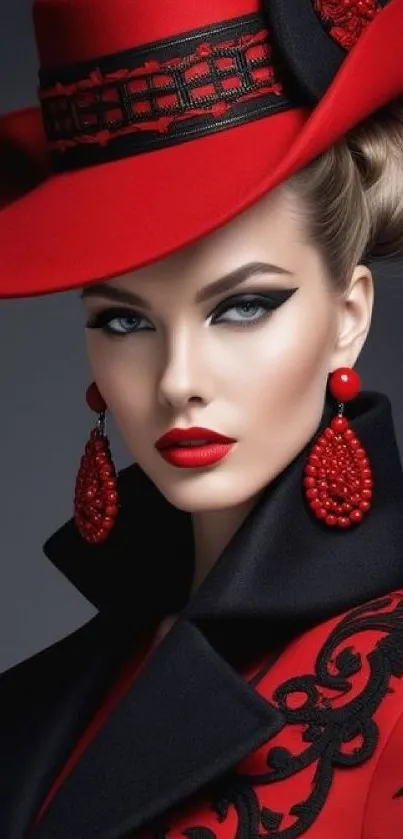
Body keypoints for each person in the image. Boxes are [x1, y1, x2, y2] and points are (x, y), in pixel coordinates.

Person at [0, 0, 403, 837]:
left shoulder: (384, 688)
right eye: (124, 320)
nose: (179, 380)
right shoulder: (48, 696)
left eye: (243, 306)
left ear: (347, 314)